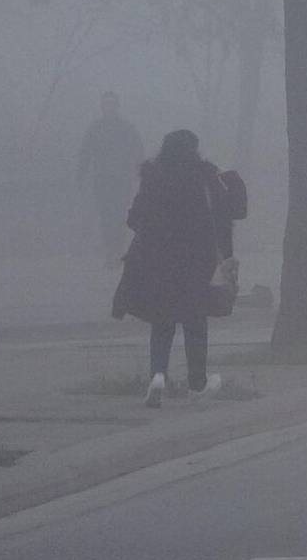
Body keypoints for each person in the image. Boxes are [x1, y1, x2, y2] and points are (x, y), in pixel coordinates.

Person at [118, 130, 227, 407]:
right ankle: (197, 383)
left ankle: (157, 376)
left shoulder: (153, 178)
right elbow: (217, 216)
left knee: (162, 321)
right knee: (195, 322)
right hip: (194, 262)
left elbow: (135, 218)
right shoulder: (201, 178)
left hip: (159, 262)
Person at [78, 92, 145, 267]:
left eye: (112, 104)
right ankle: (110, 251)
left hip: (121, 180)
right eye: (106, 104)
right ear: (102, 107)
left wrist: (140, 173)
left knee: (119, 214)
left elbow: (138, 151)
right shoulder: (95, 128)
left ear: (116, 106)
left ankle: (117, 250)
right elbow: (85, 153)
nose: (108, 108)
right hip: (101, 180)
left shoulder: (127, 128)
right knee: (106, 215)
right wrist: (80, 175)